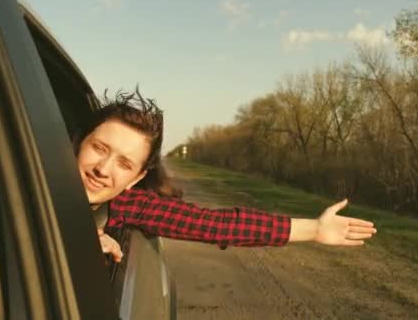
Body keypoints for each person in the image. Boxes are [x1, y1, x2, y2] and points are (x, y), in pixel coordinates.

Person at [74, 91, 377, 262]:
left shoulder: (129, 206)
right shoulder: (29, 187)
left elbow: (216, 225)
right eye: (99, 148)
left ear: (137, 179)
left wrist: (314, 229)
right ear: (77, 141)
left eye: (124, 164)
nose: (103, 169)